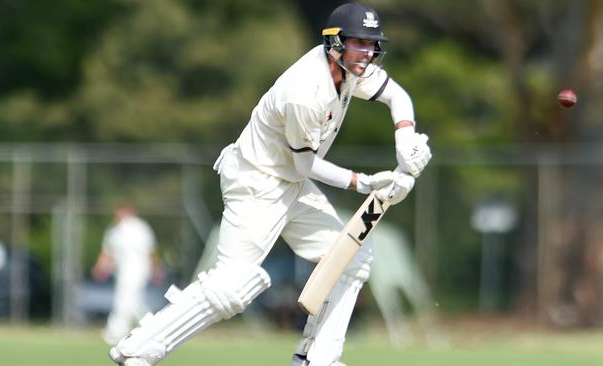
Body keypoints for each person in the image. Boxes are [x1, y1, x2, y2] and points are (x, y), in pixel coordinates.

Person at [108, 3, 431, 365]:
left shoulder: (351, 67)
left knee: (351, 256)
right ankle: (139, 349)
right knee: (233, 288)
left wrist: (405, 137)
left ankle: (318, 358)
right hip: (257, 182)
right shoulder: (306, 91)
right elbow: (305, 163)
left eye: (372, 45)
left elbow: (397, 96)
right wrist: (364, 182)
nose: (368, 53)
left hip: (291, 183)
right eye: (360, 44)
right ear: (335, 43)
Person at [92, 203, 160, 345]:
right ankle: (152, 329)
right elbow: (108, 251)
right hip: (123, 271)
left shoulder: (140, 228)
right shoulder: (116, 230)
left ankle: (117, 331)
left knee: (124, 300)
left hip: (139, 270)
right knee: (133, 302)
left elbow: (150, 250)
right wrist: (101, 267)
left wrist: (155, 269)